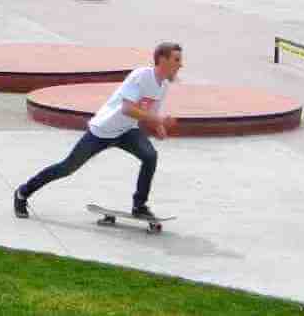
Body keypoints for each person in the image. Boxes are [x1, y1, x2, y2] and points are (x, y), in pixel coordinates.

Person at [14, 42, 183, 221]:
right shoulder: (141, 76)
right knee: (67, 167)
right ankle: (23, 193)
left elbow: (149, 114)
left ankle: (139, 206)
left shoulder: (162, 86)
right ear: (162, 60)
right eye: (177, 60)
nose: (181, 64)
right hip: (102, 131)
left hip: (127, 131)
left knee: (150, 156)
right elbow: (127, 108)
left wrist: (160, 128)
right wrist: (158, 121)